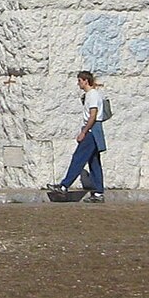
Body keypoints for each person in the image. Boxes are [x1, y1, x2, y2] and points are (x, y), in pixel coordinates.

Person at [46, 71, 107, 203]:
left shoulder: (92, 95)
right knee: (94, 162)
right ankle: (98, 192)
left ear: (85, 81)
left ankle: (64, 186)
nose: (78, 83)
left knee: (78, 158)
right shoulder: (91, 95)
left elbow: (93, 115)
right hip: (94, 130)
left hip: (91, 131)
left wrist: (84, 132)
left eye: (79, 80)